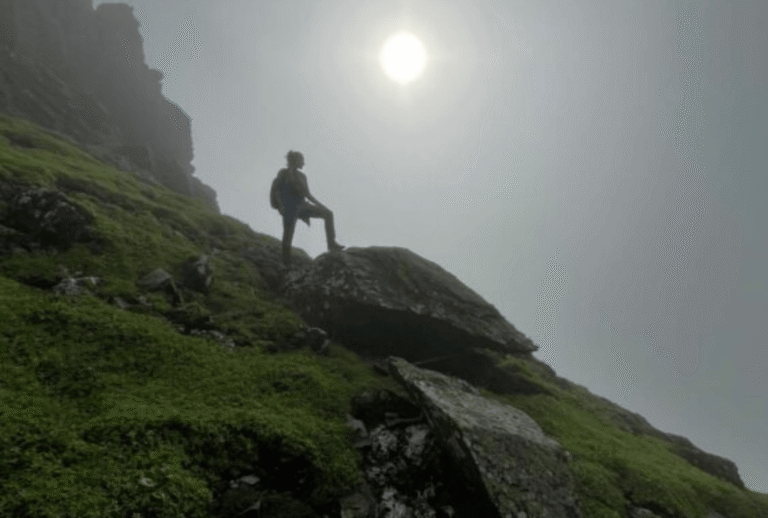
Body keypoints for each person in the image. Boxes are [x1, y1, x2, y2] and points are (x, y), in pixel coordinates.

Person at [272, 150, 344, 267]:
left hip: (303, 206)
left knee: (328, 214)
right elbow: (277, 190)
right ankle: (286, 263)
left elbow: (308, 195)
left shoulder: (302, 176)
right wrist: (280, 206)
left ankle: (331, 244)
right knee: (288, 235)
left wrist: (322, 206)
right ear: (295, 160)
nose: (304, 163)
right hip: (289, 208)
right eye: (302, 160)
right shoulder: (284, 172)